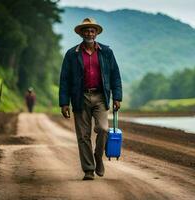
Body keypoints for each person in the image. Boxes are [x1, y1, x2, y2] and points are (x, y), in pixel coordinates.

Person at [59, 18, 122, 180]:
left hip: (101, 97)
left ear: (96, 33)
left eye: (92, 30)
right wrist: (64, 103)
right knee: (83, 136)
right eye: (86, 30)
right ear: (81, 33)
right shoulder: (72, 54)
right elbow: (64, 79)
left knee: (103, 129)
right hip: (80, 98)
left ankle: (98, 156)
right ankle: (88, 169)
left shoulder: (106, 52)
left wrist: (117, 97)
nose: (89, 33)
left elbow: (115, 75)